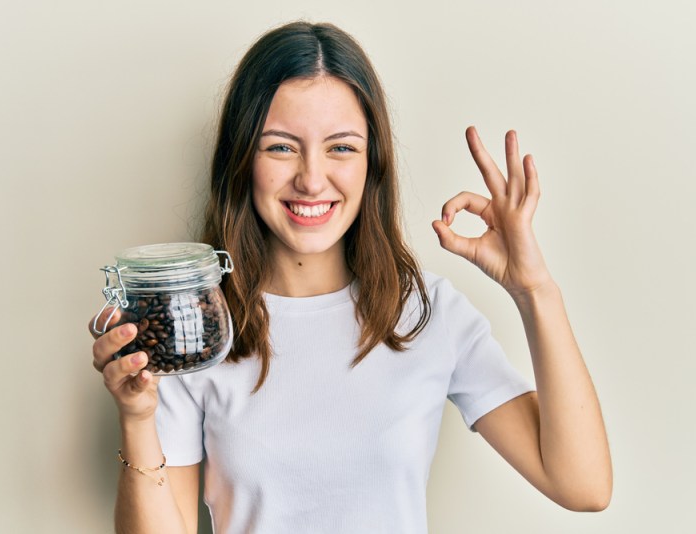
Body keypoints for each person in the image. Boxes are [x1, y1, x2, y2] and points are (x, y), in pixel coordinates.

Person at [89, 21, 612, 534]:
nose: (312, 179)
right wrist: (137, 420)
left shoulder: (428, 313)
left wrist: (534, 290)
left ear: (372, 162)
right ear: (242, 160)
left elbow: (583, 486)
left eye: (340, 147)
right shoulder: (201, 330)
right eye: (280, 147)